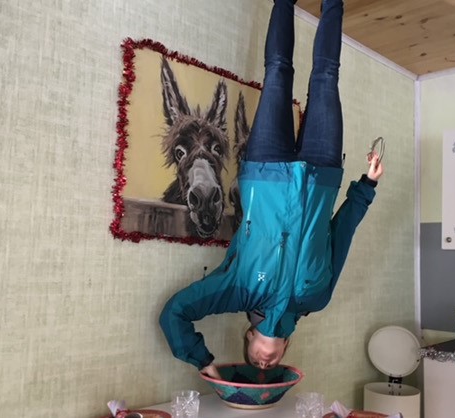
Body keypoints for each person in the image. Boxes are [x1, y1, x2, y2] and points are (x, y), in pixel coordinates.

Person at [159, 0, 382, 378]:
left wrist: (205, 363)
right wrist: (367, 185)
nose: (263, 362)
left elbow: (174, 314)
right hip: (322, 172)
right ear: (286, 349)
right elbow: (342, 232)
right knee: (326, 75)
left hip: (263, 167)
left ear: (248, 336)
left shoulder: (236, 290)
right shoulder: (316, 298)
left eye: (254, 360)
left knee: (278, 72)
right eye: (270, 363)